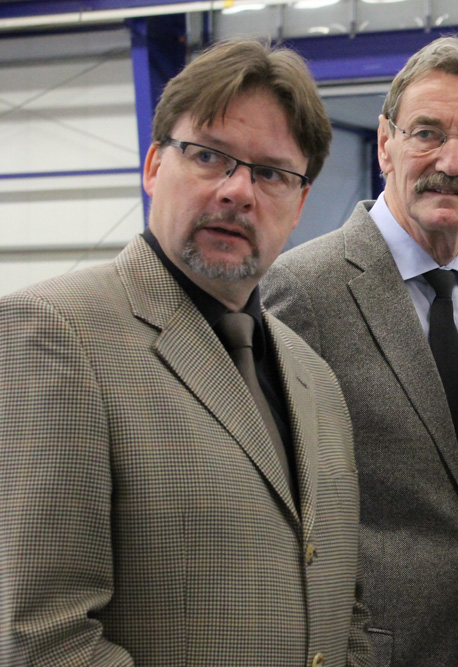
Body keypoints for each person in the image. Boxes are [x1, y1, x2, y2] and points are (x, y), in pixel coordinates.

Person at [0, 39, 371, 666]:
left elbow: (343, 604)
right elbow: (46, 642)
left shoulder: (315, 378)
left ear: (300, 202)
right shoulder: (55, 335)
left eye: (272, 173)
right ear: (153, 165)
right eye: (208, 155)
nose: (238, 192)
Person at [261, 36, 458, 666]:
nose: (451, 159)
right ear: (386, 143)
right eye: (426, 133)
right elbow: (276, 517)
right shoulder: (302, 289)